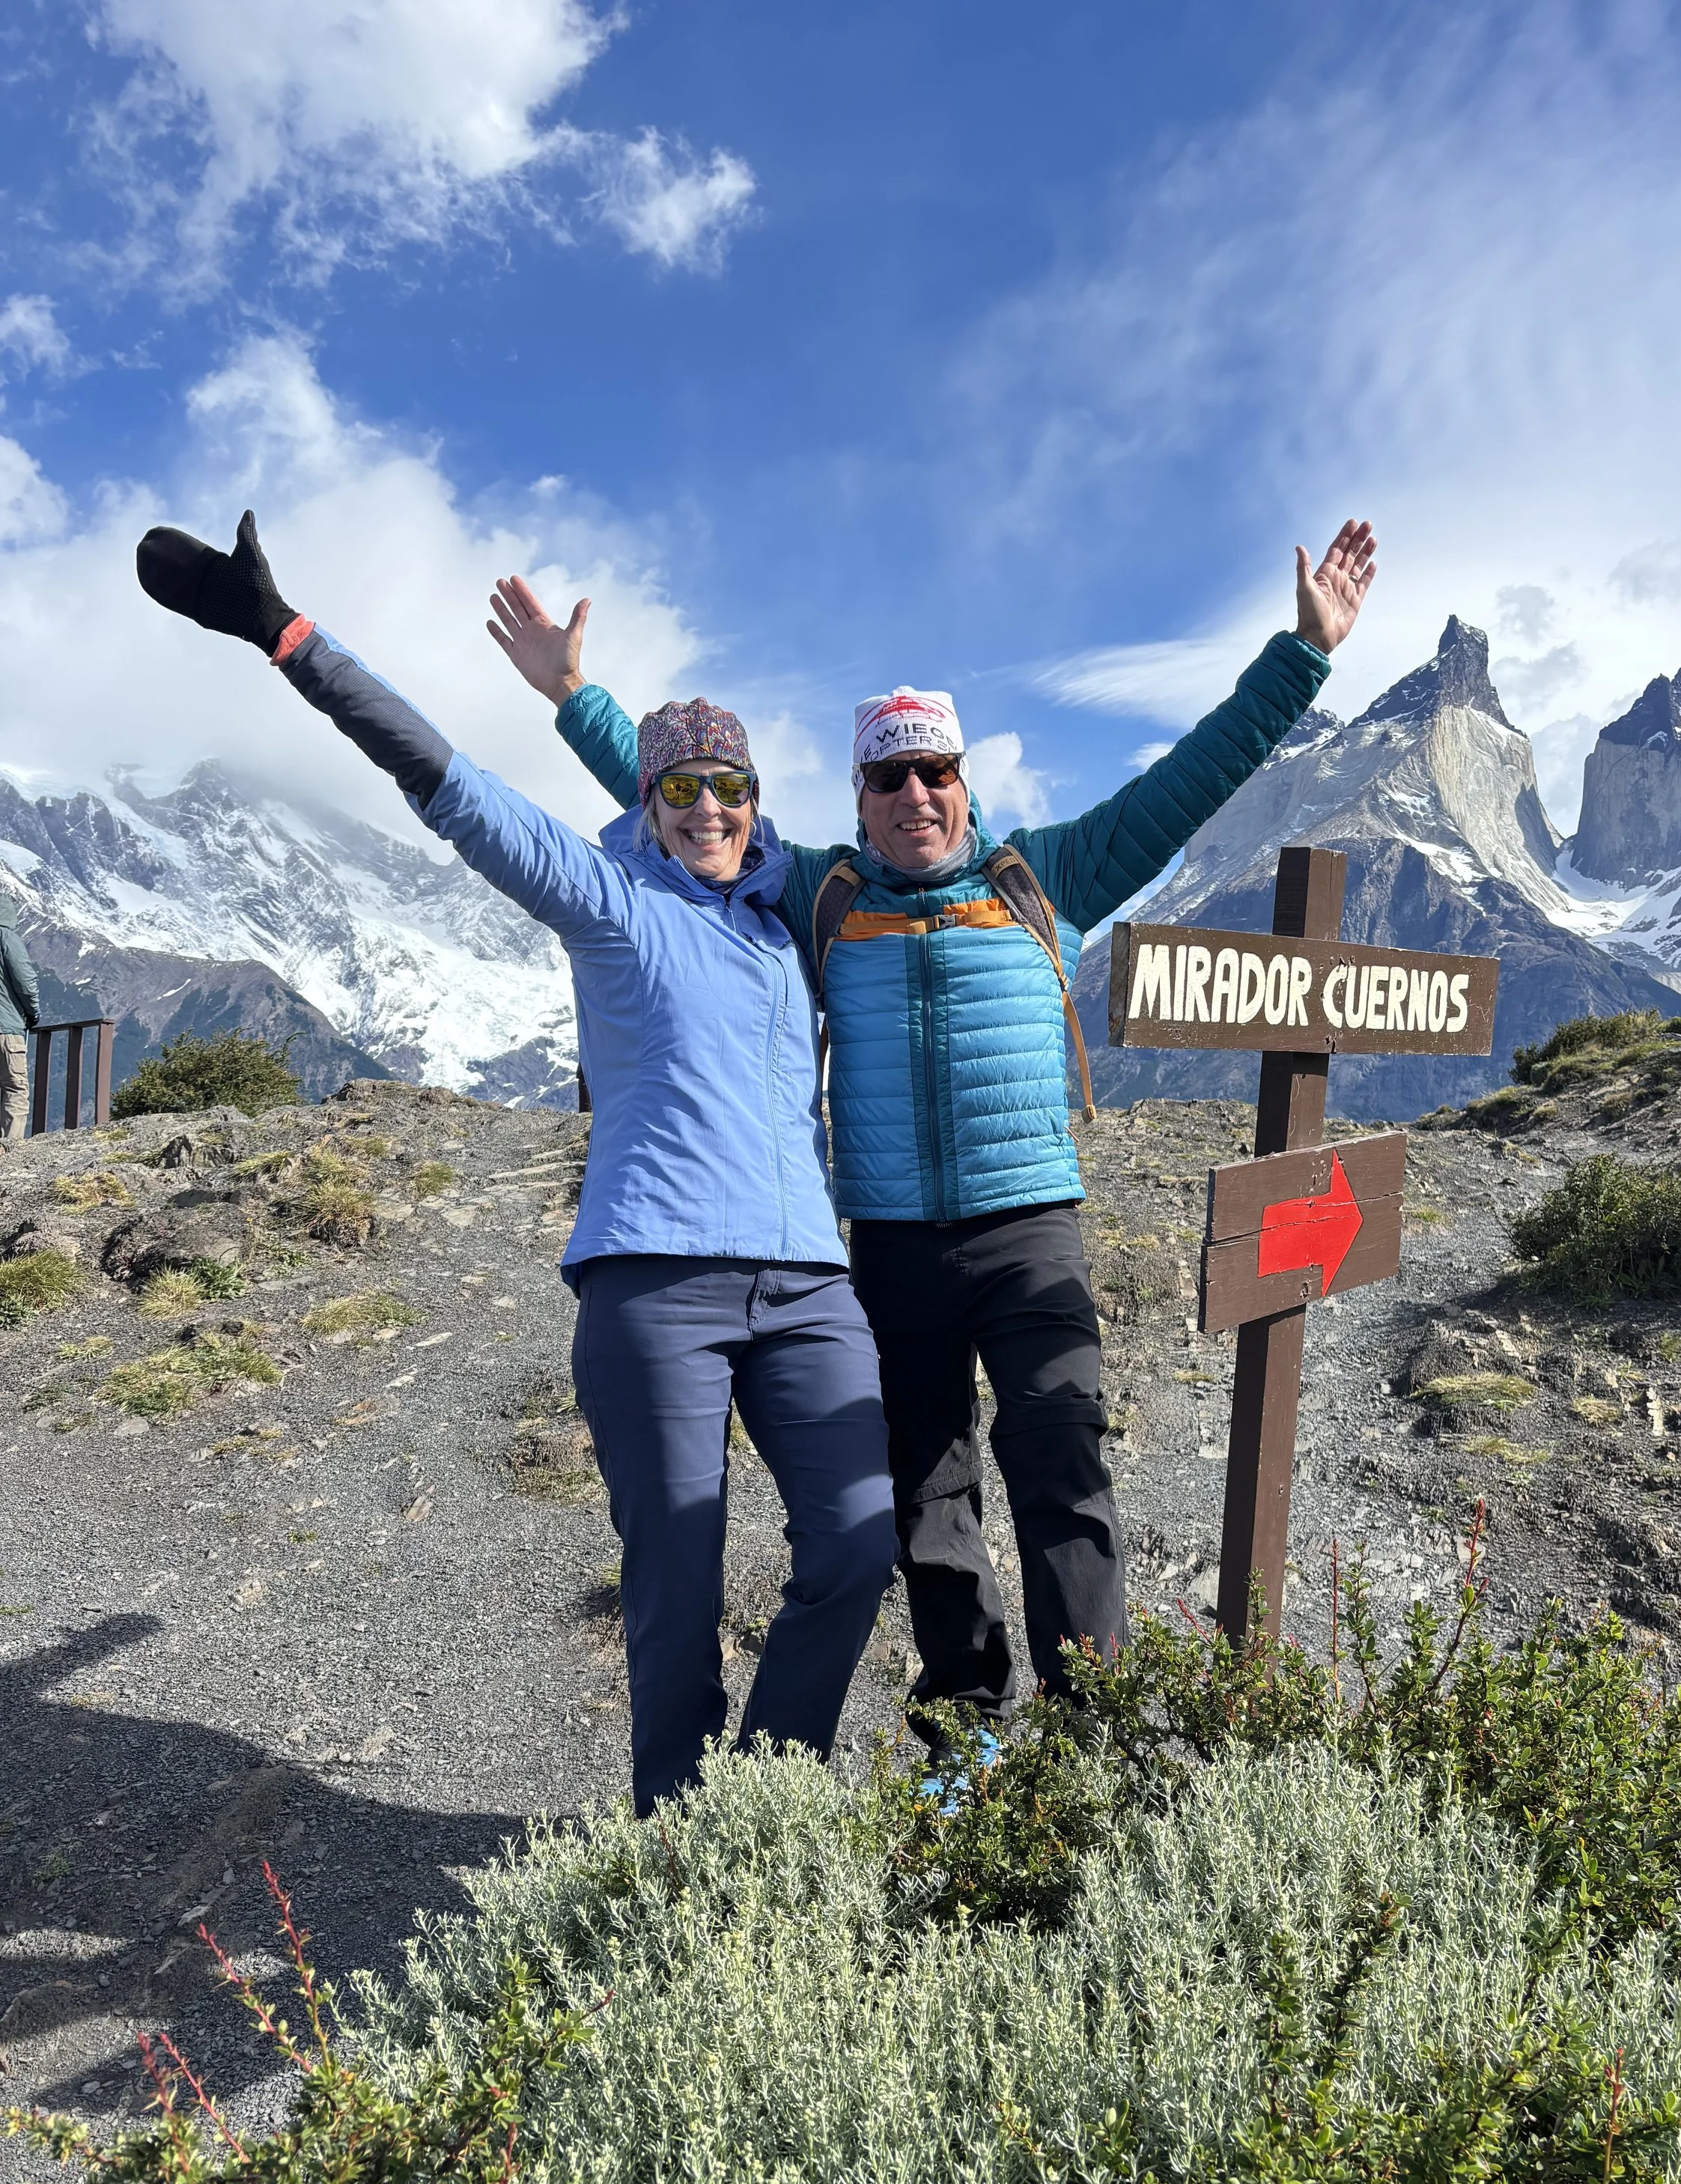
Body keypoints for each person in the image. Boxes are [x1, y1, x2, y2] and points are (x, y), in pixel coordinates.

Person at [488, 523, 1375, 1745]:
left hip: (1031, 1232)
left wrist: (1303, 654)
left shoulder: (1046, 875)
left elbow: (1192, 778)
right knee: (926, 1504)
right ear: (857, 797)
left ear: (965, 781)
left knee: (1064, 1471)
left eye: (934, 771)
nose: (915, 794)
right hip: (893, 1250)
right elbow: (694, 801)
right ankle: (969, 1746)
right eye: (888, 777)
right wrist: (575, 698)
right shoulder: (825, 894)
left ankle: (1093, 1737)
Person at [136, 512, 898, 1817]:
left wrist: (578, 692)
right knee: (676, 1578)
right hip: (656, 1283)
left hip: (811, 1283)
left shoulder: (793, 921)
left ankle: (760, 1810)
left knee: (858, 1538)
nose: (709, 806)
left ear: (757, 803)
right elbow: (448, 781)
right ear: (646, 806)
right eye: (681, 787)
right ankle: (684, 1844)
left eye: (732, 786)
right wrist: (289, 637)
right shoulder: (608, 898)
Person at [0, 892, 40, 1145]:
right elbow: (25, 981)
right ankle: (10, 1154)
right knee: (15, 1089)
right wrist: (33, 1012)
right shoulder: (6, 937)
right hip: (6, 1030)